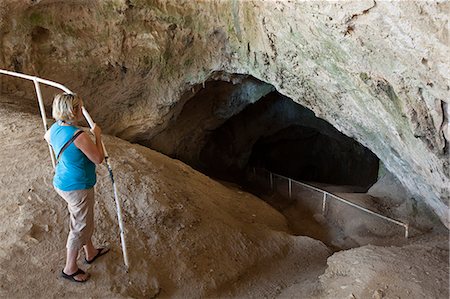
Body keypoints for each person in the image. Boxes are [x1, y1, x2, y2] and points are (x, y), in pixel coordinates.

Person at [46, 93, 109, 283]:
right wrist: (97, 135)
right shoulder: (78, 136)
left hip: (62, 181)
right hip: (78, 186)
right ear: (72, 111)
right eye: (79, 107)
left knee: (82, 219)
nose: (82, 110)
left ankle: (90, 252)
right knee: (80, 226)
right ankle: (70, 268)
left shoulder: (55, 128)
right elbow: (98, 158)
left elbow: (47, 138)